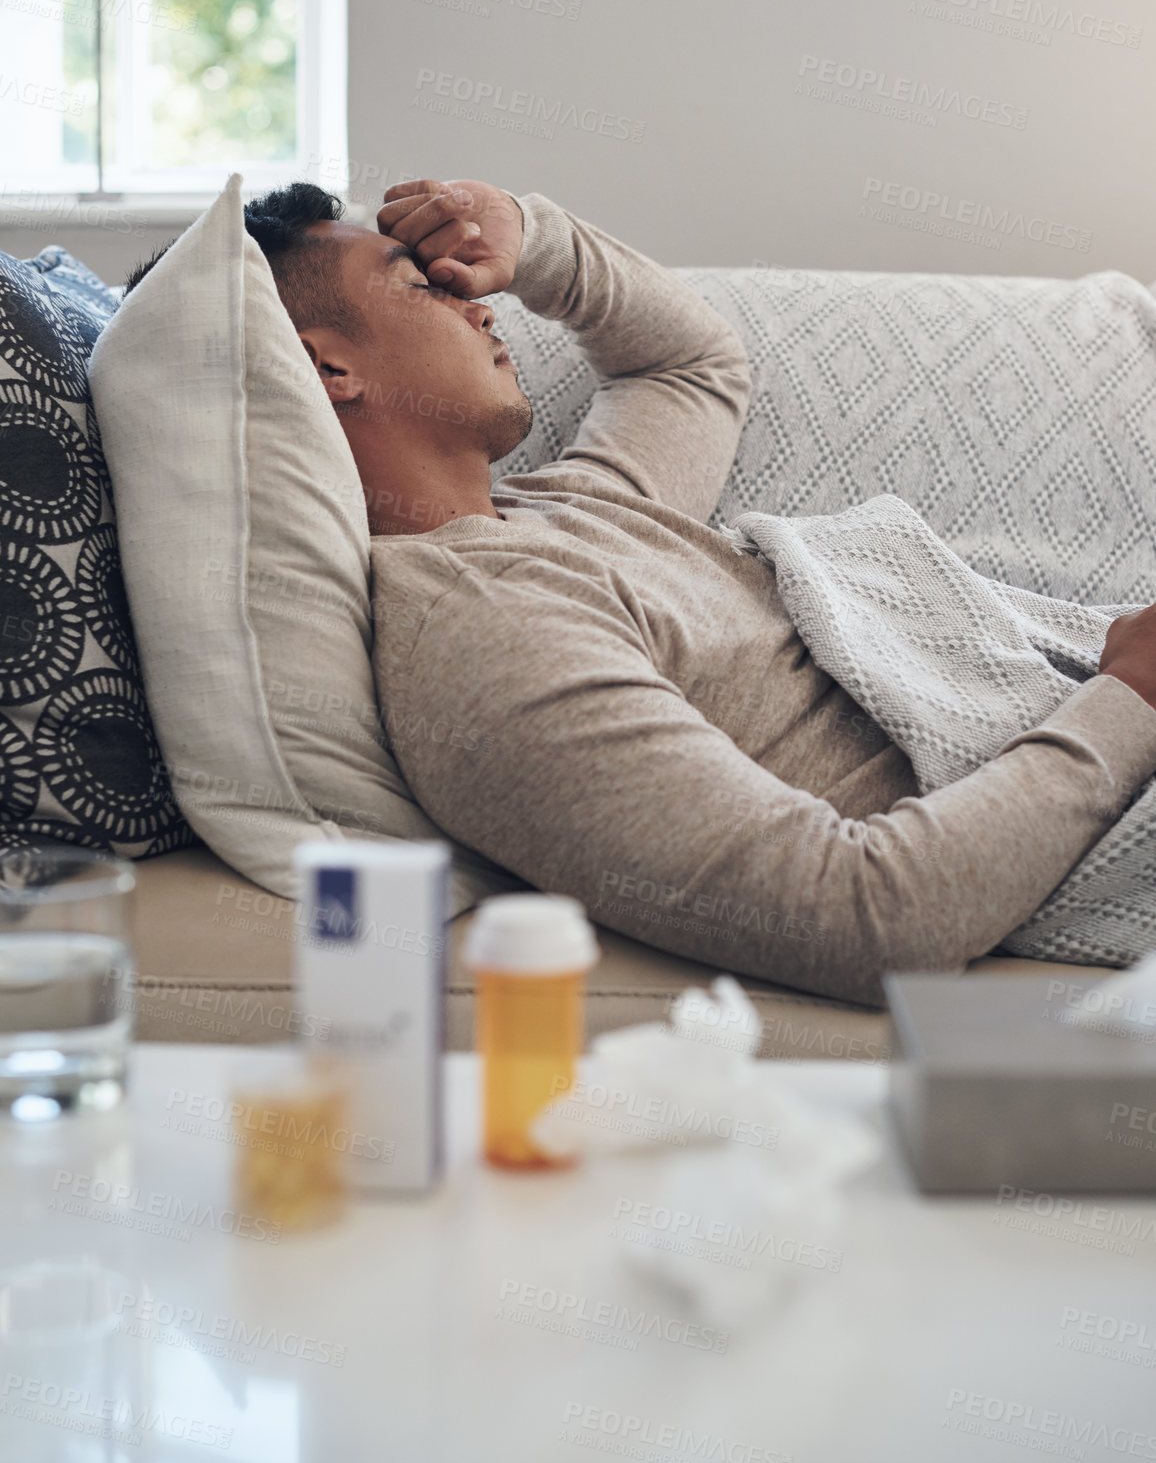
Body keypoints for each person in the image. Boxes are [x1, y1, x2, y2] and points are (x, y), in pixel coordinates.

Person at [124, 177, 1156, 1006]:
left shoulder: (560, 514)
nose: (479, 302)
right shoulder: (481, 636)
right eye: (423, 284)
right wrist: (1128, 699)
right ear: (327, 367)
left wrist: (531, 236)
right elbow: (865, 916)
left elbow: (691, 362)